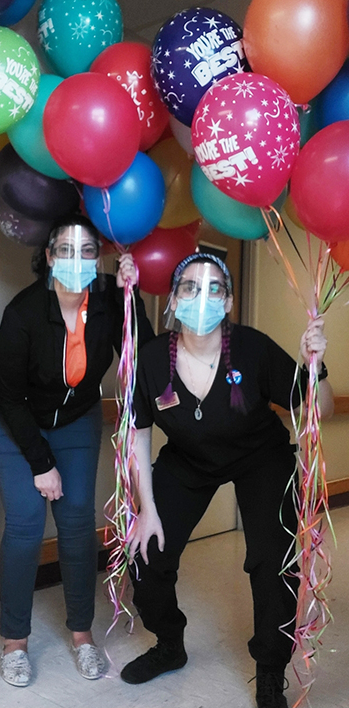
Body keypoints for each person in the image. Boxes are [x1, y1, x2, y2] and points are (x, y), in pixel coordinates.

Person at [119, 253, 334, 708]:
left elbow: (319, 412)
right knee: (146, 553)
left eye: (214, 288)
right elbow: (137, 432)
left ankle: (271, 669)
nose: (202, 297)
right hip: (188, 460)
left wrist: (314, 368)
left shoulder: (252, 348)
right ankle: (169, 645)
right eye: (190, 287)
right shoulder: (152, 358)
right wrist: (147, 510)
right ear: (173, 300)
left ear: (229, 301)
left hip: (261, 457)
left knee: (272, 558)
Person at [0, 213, 154, 688]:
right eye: (65, 250)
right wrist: (42, 465)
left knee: (77, 518)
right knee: (26, 520)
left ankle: (82, 634)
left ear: (99, 259)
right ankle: (15, 642)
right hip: (12, 418)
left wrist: (131, 295)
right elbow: (10, 397)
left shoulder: (108, 302)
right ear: (48, 257)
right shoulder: (23, 312)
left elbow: (144, 357)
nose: (76, 260)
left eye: (87, 251)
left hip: (75, 418)